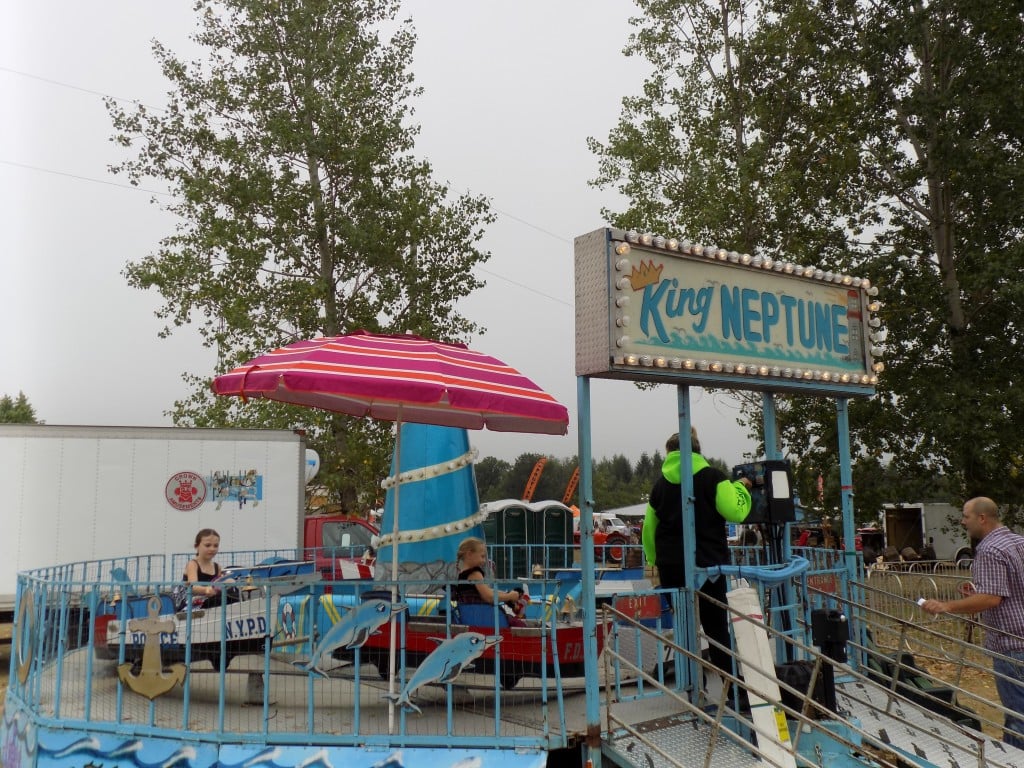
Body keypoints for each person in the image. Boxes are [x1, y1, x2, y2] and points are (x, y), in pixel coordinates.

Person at [642, 428, 753, 683]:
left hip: (671, 566)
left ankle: (692, 685)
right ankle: (731, 687)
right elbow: (735, 512)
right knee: (716, 628)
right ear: (697, 450)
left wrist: (652, 559)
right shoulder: (713, 477)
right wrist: (742, 488)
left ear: (669, 453)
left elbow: (649, 530)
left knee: (684, 626)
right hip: (709, 565)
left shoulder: (659, 487)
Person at [921, 497, 1024, 749]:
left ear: (982, 518)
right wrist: (977, 593)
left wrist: (947, 606)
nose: (962, 521)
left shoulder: (989, 550)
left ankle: (1012, 759)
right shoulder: (1018, 542)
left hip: (1010, 643)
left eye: (966, 516)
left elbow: (991, 598)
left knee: (1018, 715)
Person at [454, 537, 526, 627]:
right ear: (469, 554)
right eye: (482, 556)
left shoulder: (461, 575)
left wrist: (506, 594)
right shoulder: (475, 573)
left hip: (472, 617)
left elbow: (488, 591)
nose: (484, 561)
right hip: (484, 617)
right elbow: (489, 596)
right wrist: (510, 596)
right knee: (520, 625)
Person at [182, 528, 225, 608]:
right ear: (197, 546)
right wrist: (206, 590)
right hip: (191, 604)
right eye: (207, 545)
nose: (212, 549)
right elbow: (193, 586)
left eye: (216, 546)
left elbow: (218, 584)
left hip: (210, 601)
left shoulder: (217, 567)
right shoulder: (193, 564)